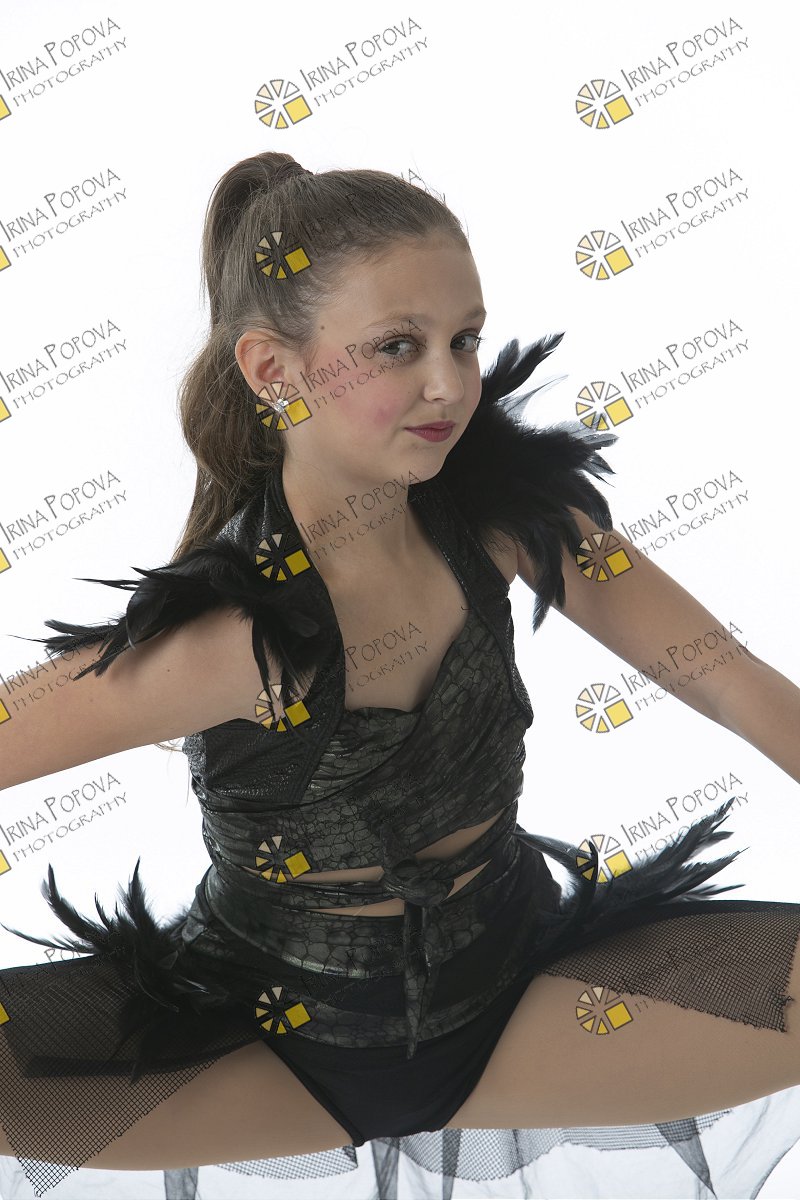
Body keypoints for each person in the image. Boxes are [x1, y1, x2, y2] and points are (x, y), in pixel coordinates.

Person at [1, 150, 799, 1200]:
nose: (449, 384)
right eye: (396, 347)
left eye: (464, 340)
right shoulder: (235, 643)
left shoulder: (509, 522)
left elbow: (727, 677)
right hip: (269, 1053)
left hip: (516, 1006)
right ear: (273, 369)